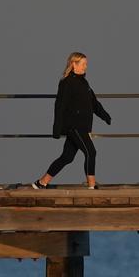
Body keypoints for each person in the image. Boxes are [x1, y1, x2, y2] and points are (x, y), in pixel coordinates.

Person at [32, 52, 111, 189]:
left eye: (86, 64)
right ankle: (92, 186)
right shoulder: (66, 83)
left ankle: (41, 182)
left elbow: (93, 103)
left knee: (67, 157)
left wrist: (105, 116)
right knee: (91, 152)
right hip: (73, 126)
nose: (86, 67)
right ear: (74, 64)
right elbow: (59, 106)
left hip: (83, 126)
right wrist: (56, 129)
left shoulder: (84, 82)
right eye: (83, 64)